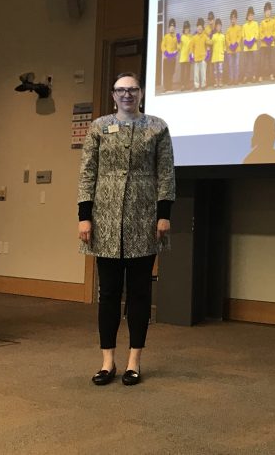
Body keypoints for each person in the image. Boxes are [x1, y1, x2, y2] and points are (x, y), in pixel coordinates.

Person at [77, 72, 175, 387]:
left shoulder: (157, 127)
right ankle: (107, 361)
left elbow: (165, 172)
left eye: (132, 89)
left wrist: (164, 214)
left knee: (139, 292)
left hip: (144, 216)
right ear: (113, 95)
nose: (127, 95)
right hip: (104, 215)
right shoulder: (99, 127)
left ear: (141, 93)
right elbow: (88, 171)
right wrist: (84, 214)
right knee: (107, 293)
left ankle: (134, 359)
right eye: (121, 90)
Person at [160, 17, 178, 92]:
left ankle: (170, 87)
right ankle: (166, 87)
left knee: (171, 72)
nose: (172, 29)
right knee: (166, 73)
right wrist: (165, 52)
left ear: (174, 28)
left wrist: (175, 52)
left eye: (173, 27)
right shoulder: (166, 36)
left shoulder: (176, 37)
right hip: (166, 58)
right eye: (171, 27)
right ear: (168, 28)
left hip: (173, 58)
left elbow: (178, 46)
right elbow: (162, 45)